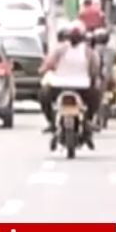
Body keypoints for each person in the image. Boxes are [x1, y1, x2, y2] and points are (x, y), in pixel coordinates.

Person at [39, 21, 101, 150]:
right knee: (95, 95)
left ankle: (52, 122)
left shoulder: (64, 49)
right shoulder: (86, 51)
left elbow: (49, 64)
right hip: (79, 87)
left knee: (44, 94)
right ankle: (87, 121)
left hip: (62, 86)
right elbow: (95, 69)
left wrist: (43, 70)